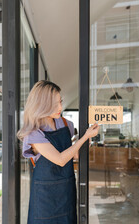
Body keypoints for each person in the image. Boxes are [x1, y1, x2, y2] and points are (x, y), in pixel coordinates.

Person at [17, 80, 99, 224]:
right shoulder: (34, 133)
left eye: (60, 102)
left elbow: (74, 154)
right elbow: (60, 159)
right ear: (42, 105)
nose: (60, 107)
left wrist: (89, 139)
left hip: (66, 190)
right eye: (54, 104)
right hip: (45, 197)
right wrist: (84, 136)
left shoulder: (67, 124)